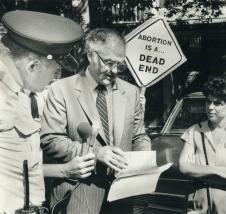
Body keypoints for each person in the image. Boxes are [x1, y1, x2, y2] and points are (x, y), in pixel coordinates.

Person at [40, 28, 151, 213]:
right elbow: (51, 140)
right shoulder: (61, 89)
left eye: (120, 65)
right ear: (91, 55)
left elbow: (139, 135)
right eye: (109, 63)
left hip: (122, 196)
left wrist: (143, 156)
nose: (114, 71)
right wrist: (97, 153)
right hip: (78, 195)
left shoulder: (131, 91)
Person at [0, 10, 85, 213]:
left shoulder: (25, 94)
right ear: (32, 66)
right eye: (54, 72)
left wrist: (64, 170)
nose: (55, 79)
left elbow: (22, 167)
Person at [179, 75, 226, 213]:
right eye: (208, 101)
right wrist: (220, 170)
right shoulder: (194, 130)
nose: (210, 107)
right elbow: (183, 167)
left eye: (217, 103)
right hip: (198, 200)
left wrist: (198, 170)